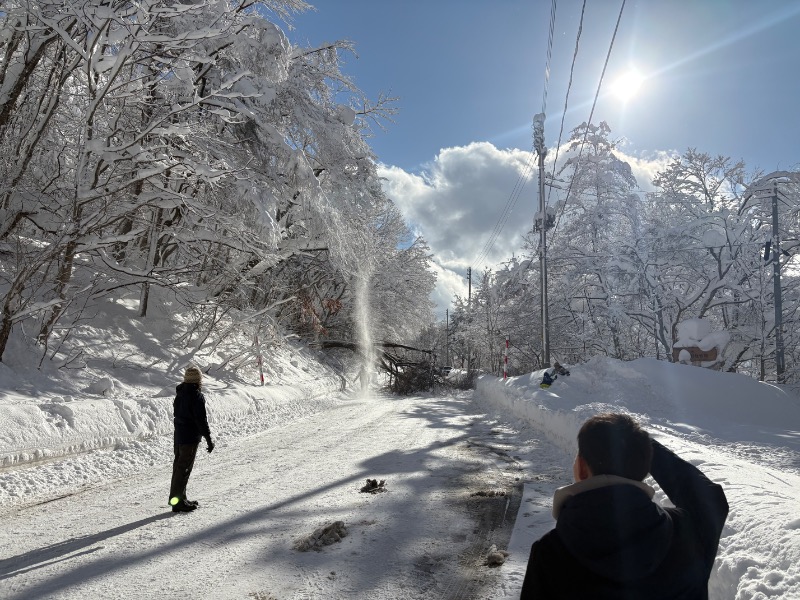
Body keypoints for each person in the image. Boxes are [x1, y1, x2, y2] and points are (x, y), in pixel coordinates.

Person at [520, 412, 728, 599]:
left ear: (582, 468)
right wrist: (637, 444)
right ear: (645, 465)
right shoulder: (687, 535)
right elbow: (709, 498)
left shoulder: (550, 554)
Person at [168, 365, 215, 513]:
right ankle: (176, 502)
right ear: (198, 380)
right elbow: (201, 420)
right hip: (189, 438)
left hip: (179, 436)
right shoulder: (196, 396)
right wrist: (208, 439)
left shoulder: (180, 393)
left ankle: (180, 498)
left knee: (179, 468)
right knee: (184, 469)